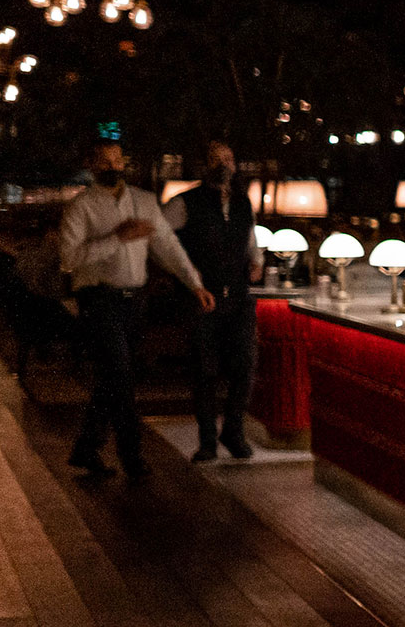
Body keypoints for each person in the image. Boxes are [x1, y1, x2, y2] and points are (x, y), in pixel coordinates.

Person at [58, 140, 214, 477]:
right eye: (104, 161)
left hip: (135, 300)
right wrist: (118, 238)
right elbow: (68, 259)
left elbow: (167, 246)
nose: (113, 166)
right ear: (91, 165)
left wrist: (195, 284)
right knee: (121, 375)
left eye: (117, 160)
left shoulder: (143, 201)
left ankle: (87, 449)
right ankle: (132, 458)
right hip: (98, 299)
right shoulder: (81, 207)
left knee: (112, 378)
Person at [162, 141, 264, 461]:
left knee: (244, 366)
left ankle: (233, 430)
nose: (223, 164)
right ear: (204, 165)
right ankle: (207, 440)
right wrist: (187, 277)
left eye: (228, 158)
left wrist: (257, 260)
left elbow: (251, 237)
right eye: (215, 159)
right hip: (202, 298)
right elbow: (162, 240)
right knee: (204, 371)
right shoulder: (185, 202)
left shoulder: (243, 202)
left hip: (238, 296)